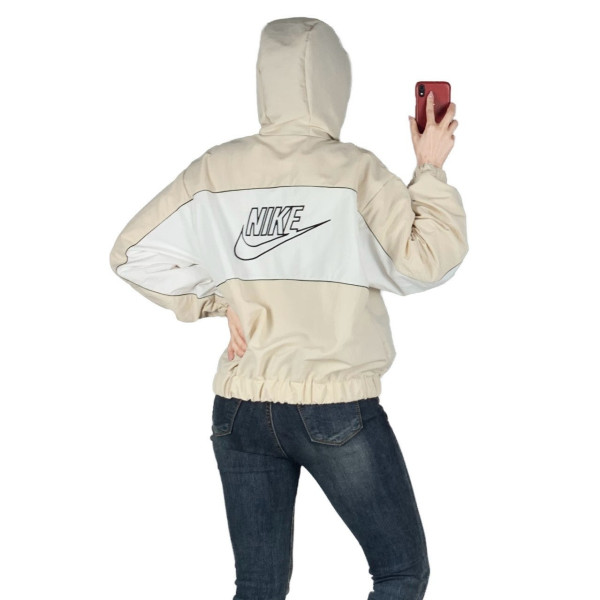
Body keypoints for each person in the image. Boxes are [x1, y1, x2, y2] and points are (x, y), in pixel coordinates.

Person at [109, 16, 467, 600]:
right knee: (400, 572)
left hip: (239, 410)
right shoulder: (356, 171)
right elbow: (427, 263)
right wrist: (430, 169)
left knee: (259, 585)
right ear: (335, 84)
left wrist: (214, 302)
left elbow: (131, 256)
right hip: (334, 408)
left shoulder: (217, 168)